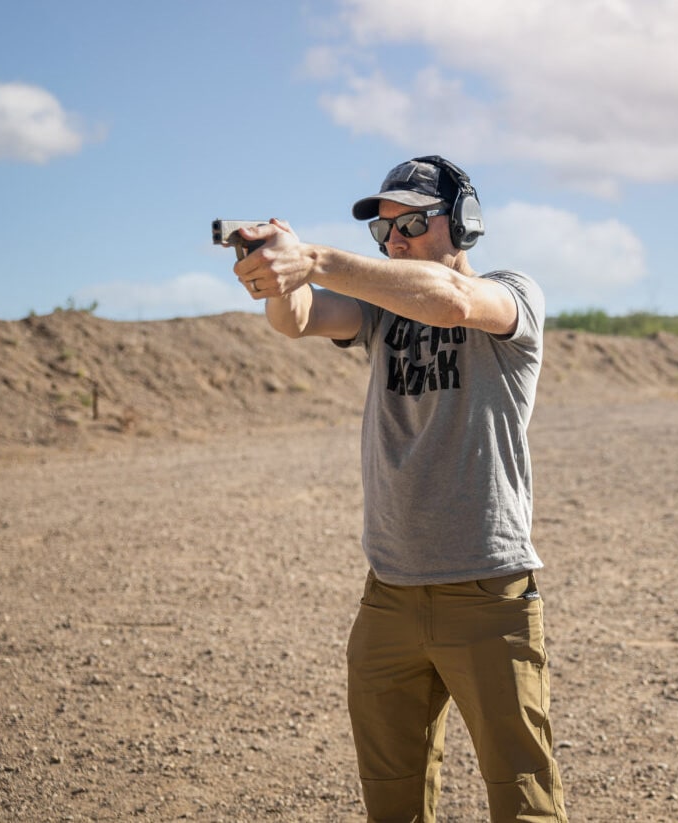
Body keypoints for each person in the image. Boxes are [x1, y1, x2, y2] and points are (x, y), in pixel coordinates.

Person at [232, 155, 568, 822]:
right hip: (388, 588)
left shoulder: (512, 293)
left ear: (464, 223)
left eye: (411, 223)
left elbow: (453, 300)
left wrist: (317, 258)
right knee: (392, 799)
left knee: (523, 795)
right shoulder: (382, 314)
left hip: (486, 587)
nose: (395, 242)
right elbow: (296, 319)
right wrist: (276, 271)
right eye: (384, 232)